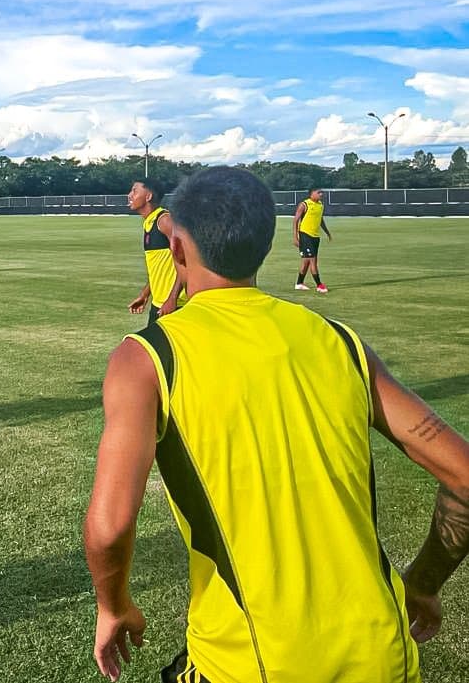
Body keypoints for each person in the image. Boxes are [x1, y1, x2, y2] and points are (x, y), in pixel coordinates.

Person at [83, 166, 469, 682]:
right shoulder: (340, 341)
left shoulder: (147, 358)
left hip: (253, 664)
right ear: (264, 247)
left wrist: (113, 607)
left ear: (177, 250)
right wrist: (421, 583)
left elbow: (109, 529)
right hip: (387, 655)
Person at [125, 179, 186, 327]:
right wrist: (145, 295)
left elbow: (187, 261)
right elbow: (159, 268)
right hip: (159, 303)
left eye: (135, 191)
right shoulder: (149, 222)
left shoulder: (164, 220)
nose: (129, 195)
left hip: (176, 305)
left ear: (148, 196)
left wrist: (172, 299)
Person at [293, 186, 332, 293]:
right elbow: (295, 221)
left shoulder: (320, 205)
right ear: (312, 194)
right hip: (305, 235)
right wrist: (295, 237)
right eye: (319, 192)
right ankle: (319, 285)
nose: (321, 194)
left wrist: (327, 232)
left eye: (322, 192)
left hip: (315, 236)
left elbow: (320, 220)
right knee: (313, 260)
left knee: (306, 261)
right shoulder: (304, 205)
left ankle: (299, 283)